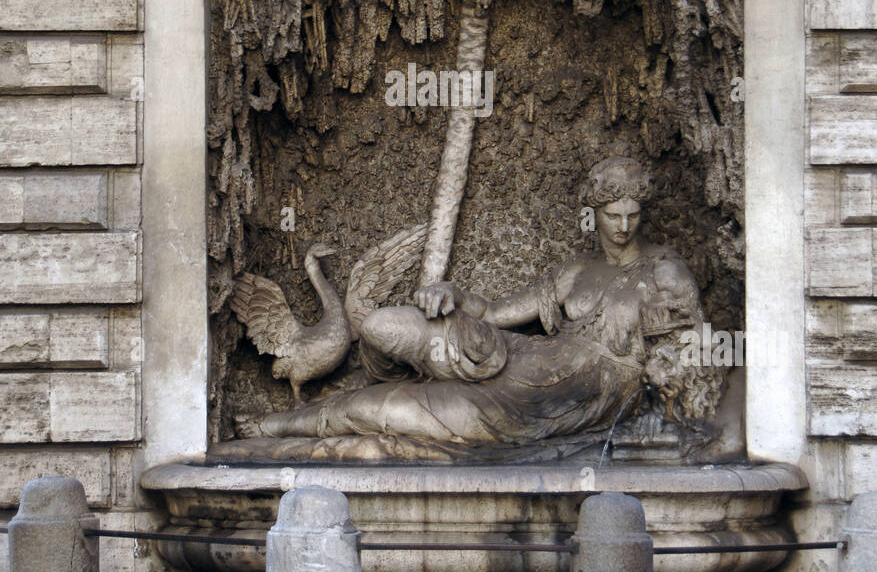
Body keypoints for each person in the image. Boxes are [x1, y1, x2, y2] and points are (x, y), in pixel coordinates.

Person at [237, 156, 711, 458]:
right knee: (385, 326)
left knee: (406, 409)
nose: (624, 225)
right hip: (528, 357)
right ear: (594, 214)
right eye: (613, 215)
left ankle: (279, 425)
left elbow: (691, 361)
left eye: (633, 214)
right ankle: (345, 395)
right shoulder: (574, 270)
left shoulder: (665, 273)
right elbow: (498, 314)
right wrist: (455, 295)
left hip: (578, 390)